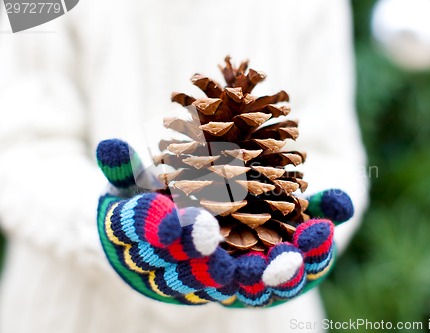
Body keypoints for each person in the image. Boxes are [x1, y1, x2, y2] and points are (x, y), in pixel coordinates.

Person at [0, 0, 368, 332]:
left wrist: (297, 226)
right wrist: (105, 224)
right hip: (67, 313)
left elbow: (329, 150)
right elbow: (19, 147)